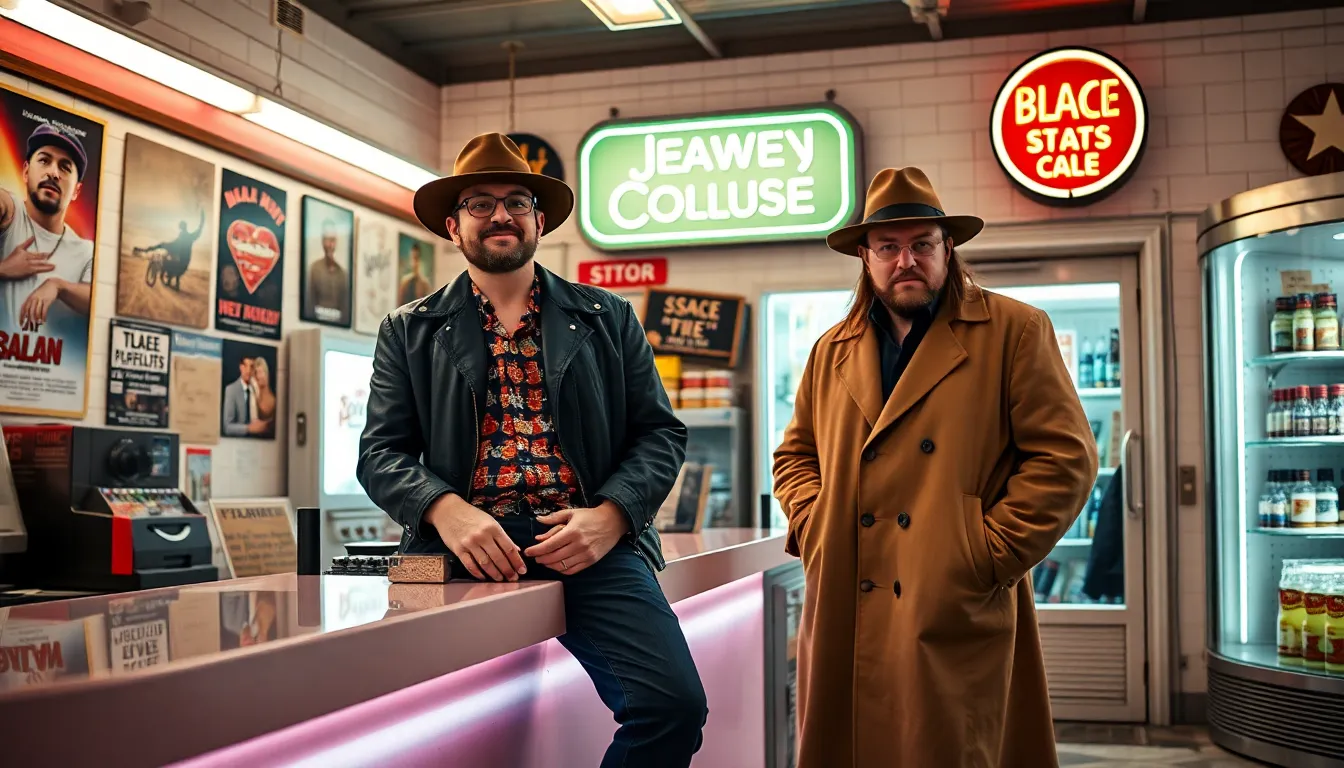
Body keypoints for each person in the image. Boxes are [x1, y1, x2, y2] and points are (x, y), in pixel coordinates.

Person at [358, 133, 706, 768]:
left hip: (585, 539)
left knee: (673, 706)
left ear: (539, 220)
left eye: (517, 201)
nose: (501, 215)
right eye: (480, 203)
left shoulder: (607, 316)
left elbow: (661, 434)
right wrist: (444, 509)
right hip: (452, 545)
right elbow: (380, 453)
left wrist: (613, 516)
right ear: (453, 225)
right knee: (378, 706)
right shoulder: (408, 329)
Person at [772, 167, 1098, 767]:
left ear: (948, 249)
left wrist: (986, 552)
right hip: (847, 592)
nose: (906, 260)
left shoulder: (1013, 330)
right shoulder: (831, 349)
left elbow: (1065, 458)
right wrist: (817, 525)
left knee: (949, 747)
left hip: (951, 594)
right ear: (866, 257)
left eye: (922, 243)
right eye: (888, 247)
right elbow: (795, 456)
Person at [0, 124, 95, 332]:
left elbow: (100, 299)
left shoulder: (86, 252)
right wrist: (3, 269)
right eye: (44, 160)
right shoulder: (9, 210)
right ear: (26, 171)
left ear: (76, 190)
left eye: (65, 167)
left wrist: (58, 286)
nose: (53, 172)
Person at [142, 210, 204, 289]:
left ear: (181, 228)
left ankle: (170, 280)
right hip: (184, 266)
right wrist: (202, 218)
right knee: (173, 259)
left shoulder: (180, 240)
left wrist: (153, 248)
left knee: (166, 261)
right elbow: (199, 229)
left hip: (178, 265)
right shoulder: (190, 237)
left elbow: (166, 245)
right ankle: (175, 282)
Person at [307, 219, 350, 322]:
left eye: (333, 240)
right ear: (322, 242)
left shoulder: (342, 274)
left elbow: (345, 310)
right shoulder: (315, 269)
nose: (331, 245)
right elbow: (309, 304)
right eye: (328, 240)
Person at [222, 356, 268, 437]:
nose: (248, 370)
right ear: (241, 367)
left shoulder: (257, 389)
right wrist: (248, 428)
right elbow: (227, 427)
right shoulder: (231, 390)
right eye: (246, 366)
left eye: (252, 367)